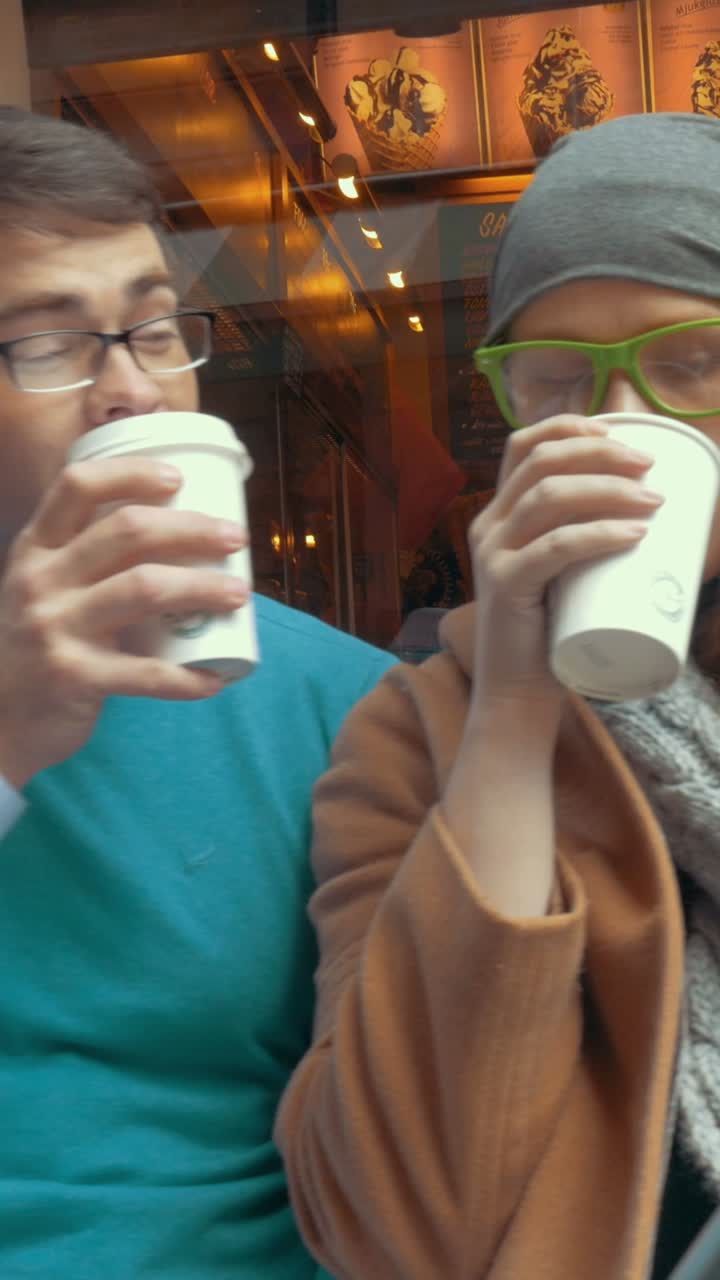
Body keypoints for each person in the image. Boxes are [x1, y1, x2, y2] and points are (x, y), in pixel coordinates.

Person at [275, 112, 720, 1280]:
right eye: (559, 379)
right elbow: (395, 1224)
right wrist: (515, 708)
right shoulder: (418, 732)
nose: (625, 425)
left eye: (694, 362)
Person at [0, 105, 395, 1277]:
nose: (130, 387)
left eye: (156, 329)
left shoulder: (353, 705)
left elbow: (421, 1138)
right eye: (48, 343)